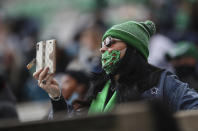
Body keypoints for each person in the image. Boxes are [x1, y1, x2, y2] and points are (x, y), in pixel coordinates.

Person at [33, 20, 198, 117]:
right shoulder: (98, 86)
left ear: (134, 48)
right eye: (102, 44)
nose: (102, 49)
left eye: (110, 42)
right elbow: (72, 124)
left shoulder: (162, 82)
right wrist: (56, 96)